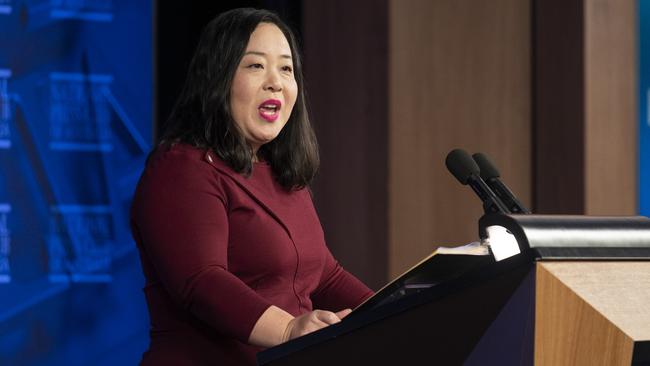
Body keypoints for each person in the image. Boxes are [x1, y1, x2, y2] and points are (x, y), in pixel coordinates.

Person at [130, 8, 374, 365]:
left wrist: (397, 311)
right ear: (218, 78)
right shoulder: (180, 168)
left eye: (286, 68)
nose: (275, 81)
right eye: (256, 65)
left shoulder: (281, 173)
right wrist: (289, 330)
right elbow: (203, 281)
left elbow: (324, 275)